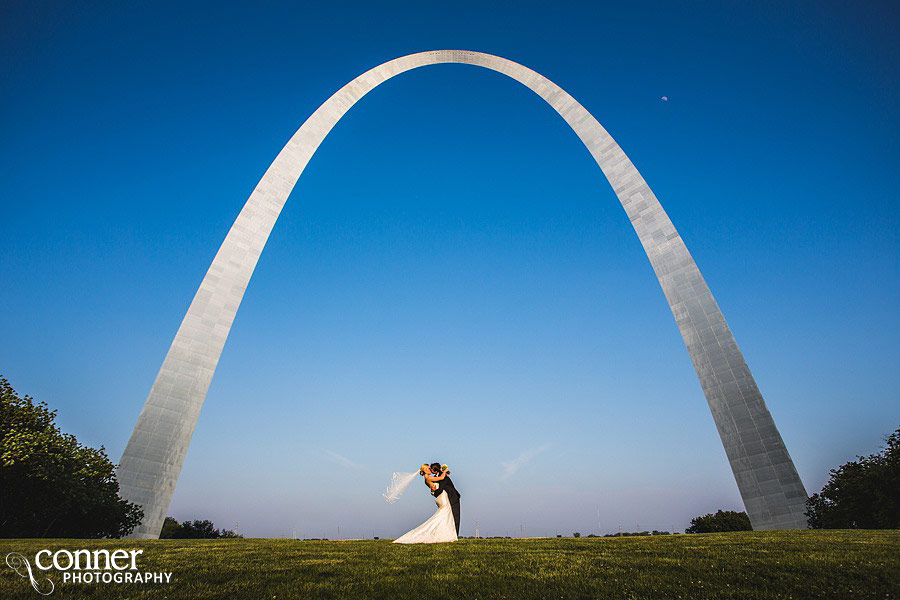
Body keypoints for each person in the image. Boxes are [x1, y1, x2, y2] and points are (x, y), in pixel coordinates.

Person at [392, 463, 458, 544]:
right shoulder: (427, 477)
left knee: (445, 515)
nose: (429, 470)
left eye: (429, 468)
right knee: (442, 515)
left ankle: (446, 533)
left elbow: (435, 485)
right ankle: (442, 533)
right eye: (427, 469)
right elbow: (441, 478)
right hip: (441, 497)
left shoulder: (430, 477)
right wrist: (444, 471)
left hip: (440, 497)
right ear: (424, 471)